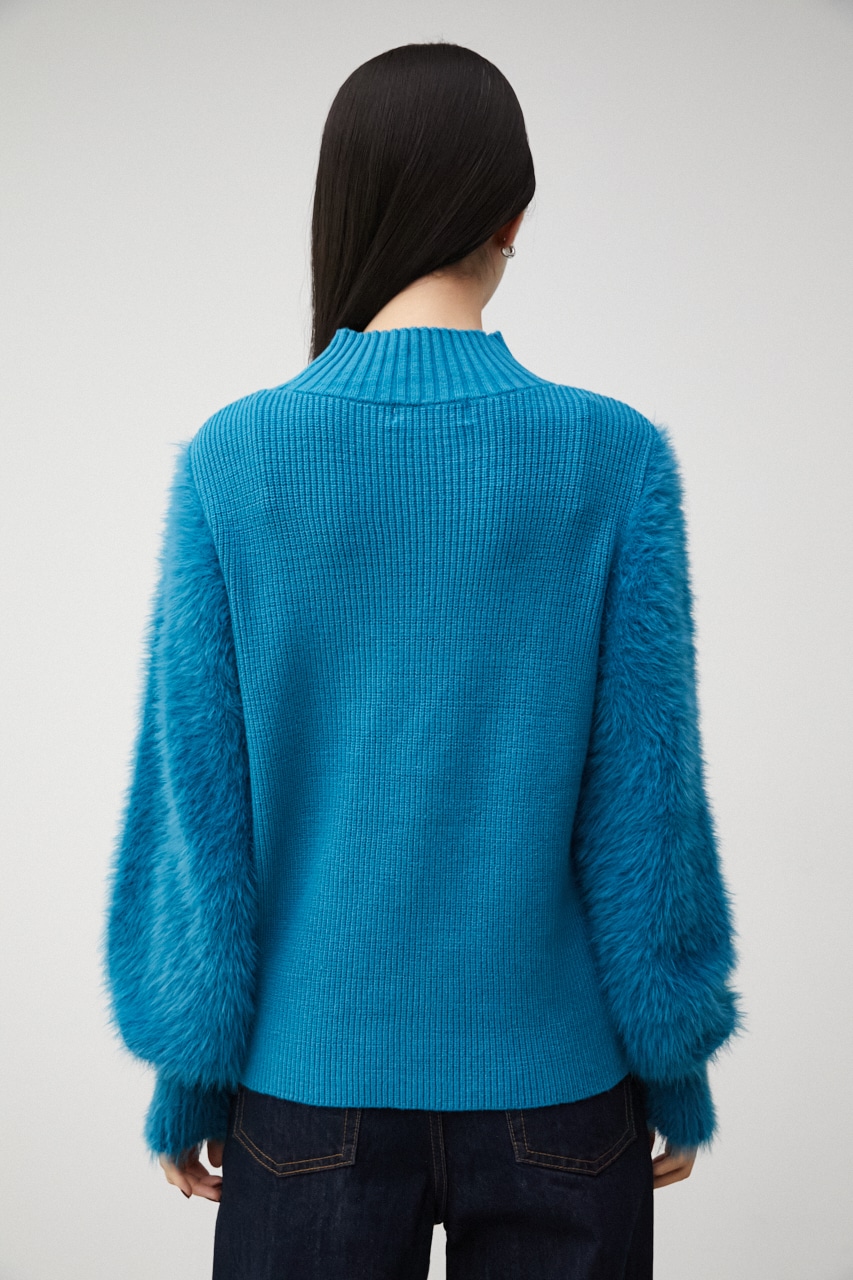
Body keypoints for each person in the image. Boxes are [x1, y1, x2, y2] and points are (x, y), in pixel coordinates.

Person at [101, 40, 745, 1279]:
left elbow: (198, 806)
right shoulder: (611, 457)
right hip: (560, 1093)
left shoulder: (235, 459)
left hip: (308, 1095)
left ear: (346, 207)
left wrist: (190, 1074)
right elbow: (646, 805)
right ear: (512, 215)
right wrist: (674, 1065)